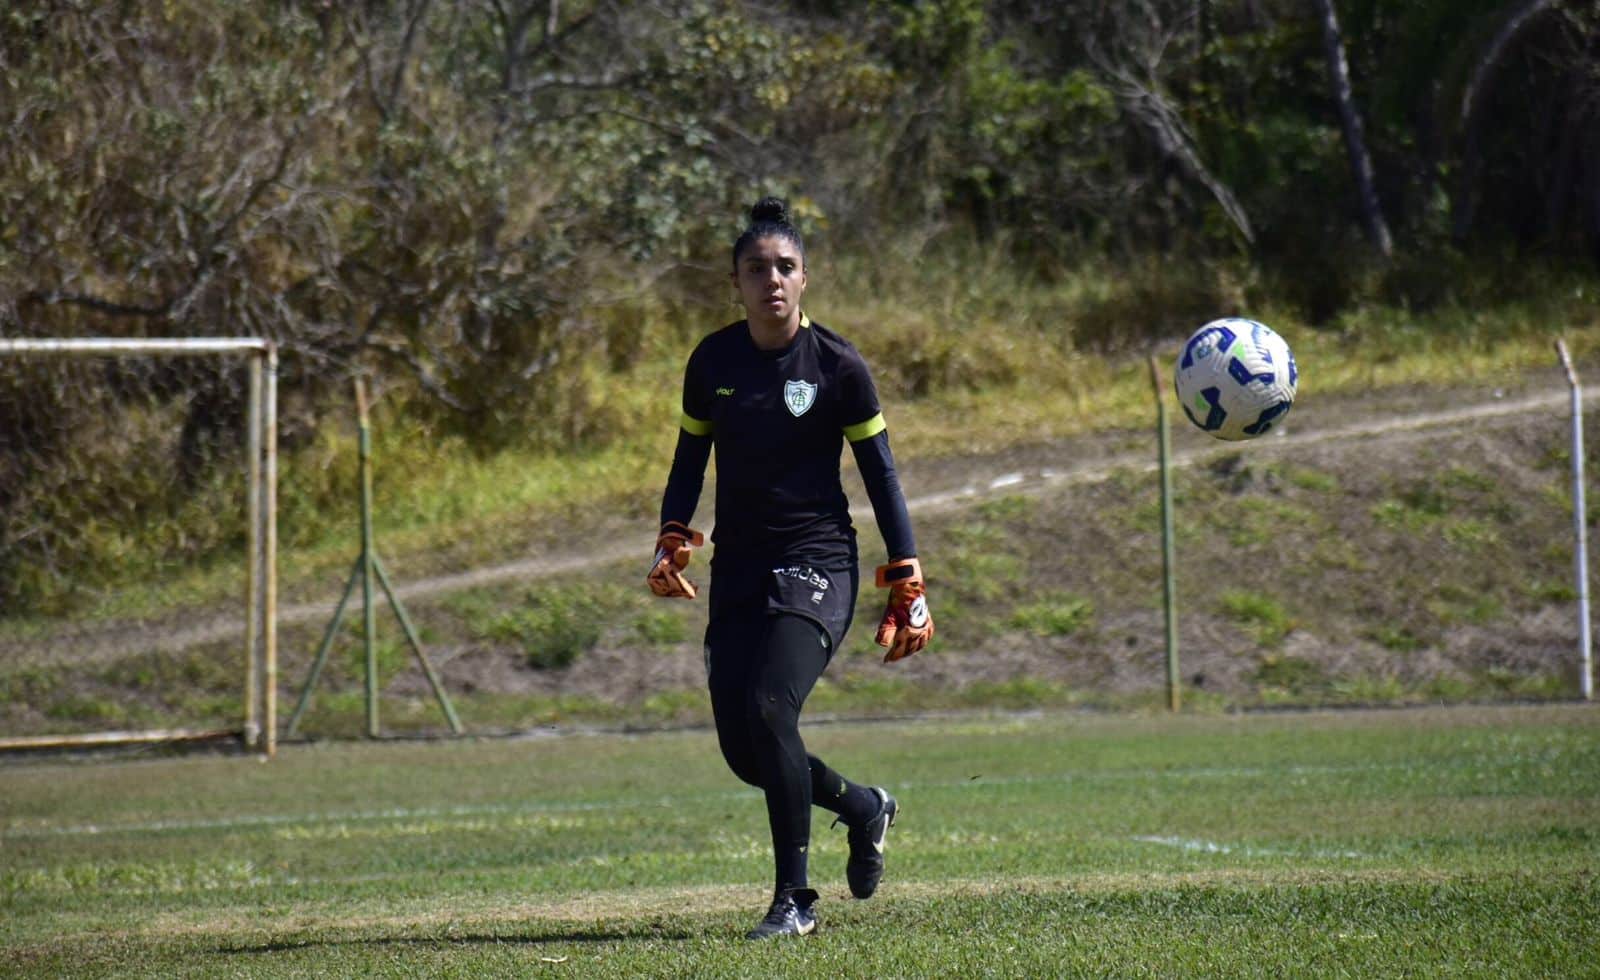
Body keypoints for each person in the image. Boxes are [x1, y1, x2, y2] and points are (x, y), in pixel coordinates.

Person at [648, 196, 934, 939]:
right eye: (755, 268)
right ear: (736, 283)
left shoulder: (838, 366)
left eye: (785, 266)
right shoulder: (712, 362)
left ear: (805, 278)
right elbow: (688, 461)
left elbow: (883, 476)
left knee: (775, 709)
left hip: (818, 563)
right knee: (749, 753)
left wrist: (908, 576)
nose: (771, 279)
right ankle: (863, 806)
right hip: (739, 566)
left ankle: (793, 903)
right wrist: (671, 534)